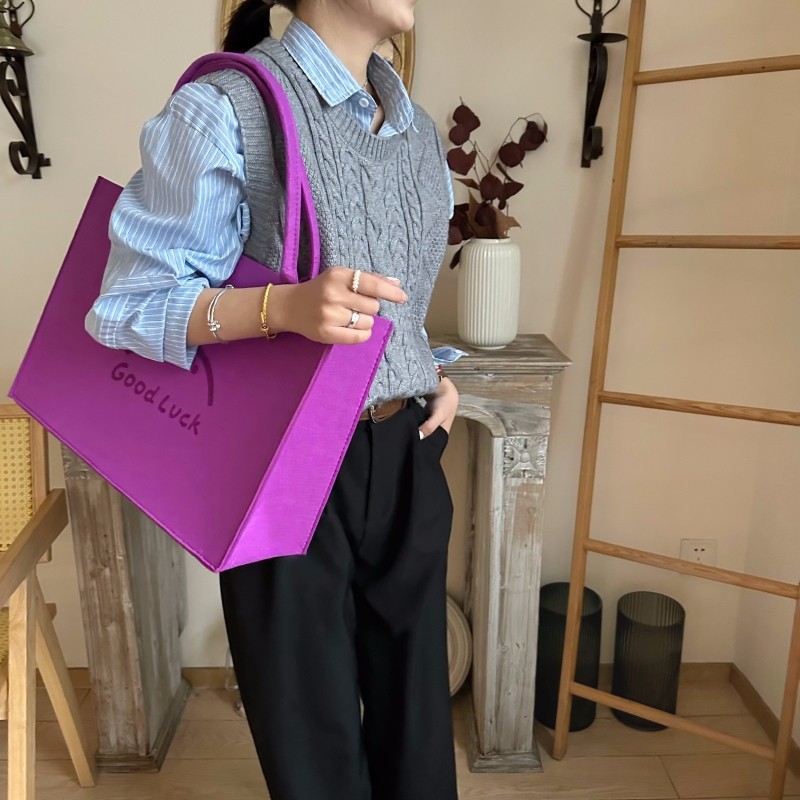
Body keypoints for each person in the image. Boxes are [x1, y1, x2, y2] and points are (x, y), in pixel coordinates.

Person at [86, 0, 460, 798]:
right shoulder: (226, 108)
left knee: (421, 739)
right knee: (312, 748)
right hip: (285, 462)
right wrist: (281, 307)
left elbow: (400, 304)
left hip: (408, 451)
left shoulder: (420, 134)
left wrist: (427, 369)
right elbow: (123, 307)